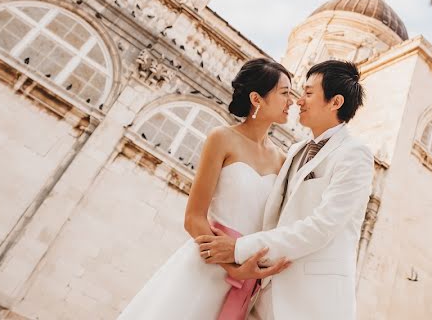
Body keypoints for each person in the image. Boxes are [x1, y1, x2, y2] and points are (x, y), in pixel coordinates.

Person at [196, 60, 374, 320]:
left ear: (335, 102)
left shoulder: (354, 155)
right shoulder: (294, 152)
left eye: (309, 93)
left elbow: (321, 228)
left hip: (313, 304)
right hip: (263, 293)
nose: (299, 101)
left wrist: (238, 249)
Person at [119, 58, 294, 320]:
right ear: (257, 98)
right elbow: (193, 218)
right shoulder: (222, 138)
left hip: (247, 274)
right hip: (206, 267)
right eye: (284, 93)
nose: (291, 101)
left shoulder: (282, 160)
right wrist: (231, 266)